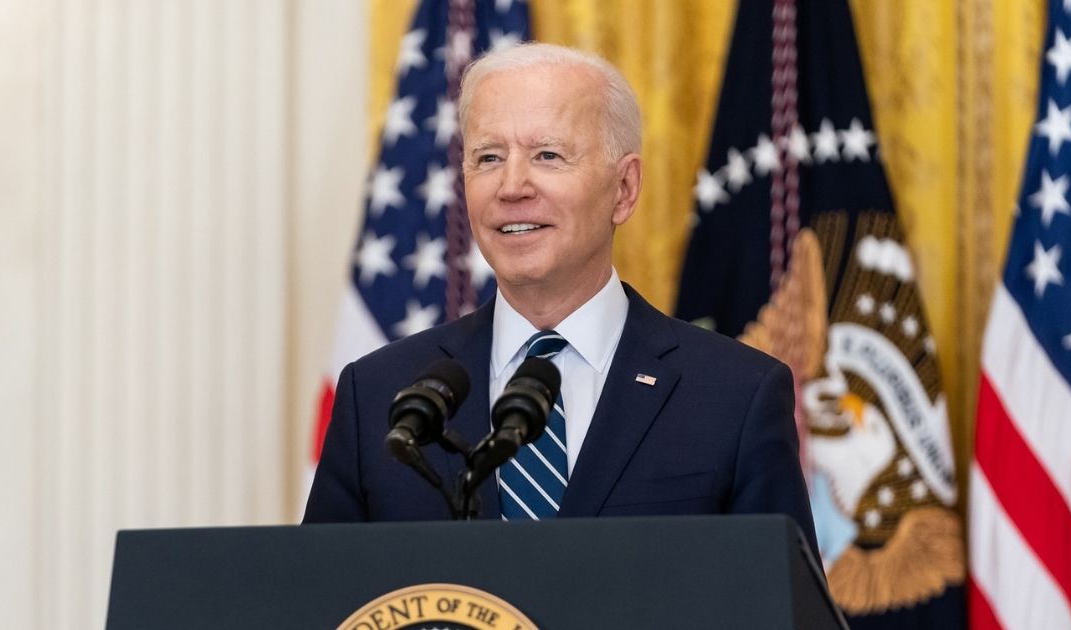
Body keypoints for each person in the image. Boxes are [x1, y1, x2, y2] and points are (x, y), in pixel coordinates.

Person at [303, 43, 817, 554]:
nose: (511, 186)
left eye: (548, 155)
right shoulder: (378, 398)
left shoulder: (736, 396)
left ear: (624, 189)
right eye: (488, 157)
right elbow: (322, 603)